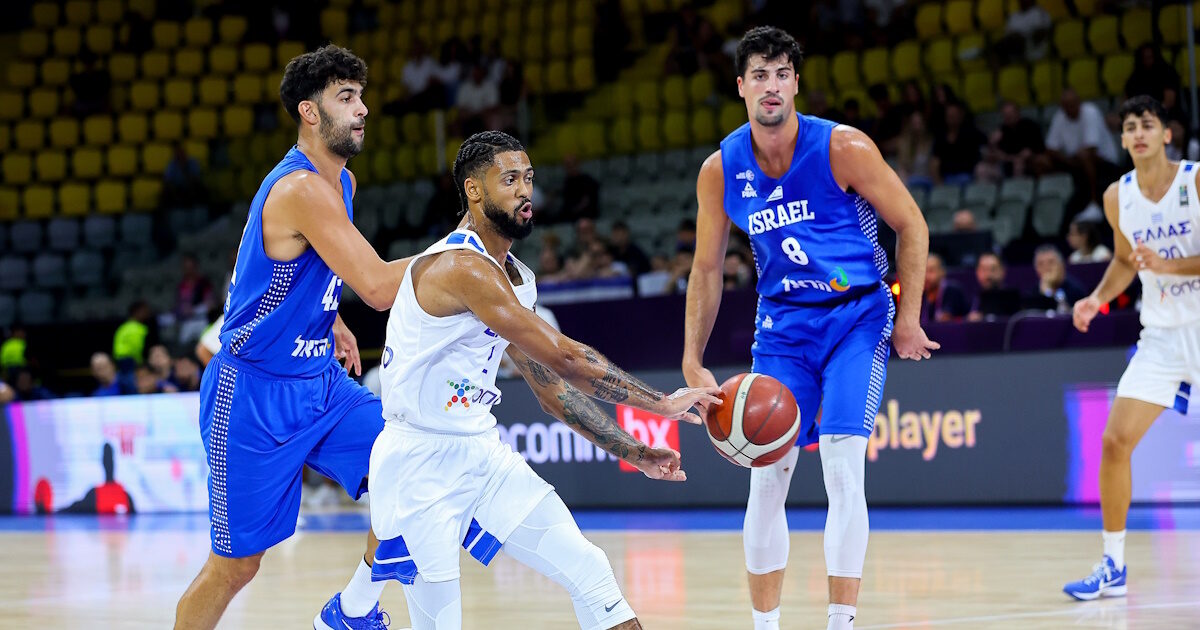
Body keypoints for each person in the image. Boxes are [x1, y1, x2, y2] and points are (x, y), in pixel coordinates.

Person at [368, 131, 720, 630]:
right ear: (474, 190)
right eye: (509, 179)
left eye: (529, 178)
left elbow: (553, 390)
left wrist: (637, 452)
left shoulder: (514, 276)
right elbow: (567, 358)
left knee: (591, 570)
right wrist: (661, 403)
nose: (525, 191)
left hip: (480, 452)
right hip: (417, 463)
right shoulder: (461, 267)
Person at [682, 27, 938, 630]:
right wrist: (692, 357)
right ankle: (765, 626)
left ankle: (839, 622)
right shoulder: (720, 170)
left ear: (796, 82)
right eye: (759, 75)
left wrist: (909, 318)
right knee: (766, 478)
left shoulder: (843, 147)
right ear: (741, 87)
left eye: (781, 74)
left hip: (856, 317)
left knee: (843, 467)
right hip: (784, 326)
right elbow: (706, 268)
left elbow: (912, 224)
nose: (771, 86)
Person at [173, 45, 413, 630]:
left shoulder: (342, 182)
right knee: (235, 568)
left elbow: (313, 264)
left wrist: (330, 318)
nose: (363, 109)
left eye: (361, 96)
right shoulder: (299, 189)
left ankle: (353, 610)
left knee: (409, 463)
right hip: (251, 394)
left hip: (319, 383)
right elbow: (378, 287)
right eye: (346, 97)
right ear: (310, 112)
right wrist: (463, 254)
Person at [1066, 96, 1200, 601]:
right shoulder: (1116, 197)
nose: (1139, 132)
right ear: (1122, 140)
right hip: (1161, 337)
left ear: (1167, 134)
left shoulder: (1194, 181)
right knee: (1114, 442)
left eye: (1147, 124)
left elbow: (1158, 262)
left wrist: (1168, 266)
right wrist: (1096, 299)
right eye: (1130, 126)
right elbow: (1125, 260)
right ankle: (1113, 565)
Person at [1025, 245, 1087, 313]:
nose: (1046, 268)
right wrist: (1047, 292)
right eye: (1041, 264)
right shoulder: (1032, 295)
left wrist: (1049, 292)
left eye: (1051, 262)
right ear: (1036, 269)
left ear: (1061, 265)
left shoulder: (1076, 290)